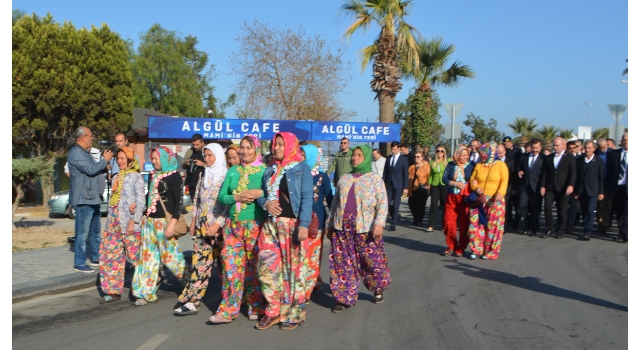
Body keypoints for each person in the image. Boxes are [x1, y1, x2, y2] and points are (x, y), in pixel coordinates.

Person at [256, 132, 313, 331]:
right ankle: (273, 310)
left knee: (293, 271)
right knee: (266, 268)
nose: (276, 148)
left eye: (280, 144)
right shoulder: (269, 170)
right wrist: (266, 203)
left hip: (292, 225)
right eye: (274, 144)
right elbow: (262, 196)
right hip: (271, 225)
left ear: (290, 146)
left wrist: (304, 224)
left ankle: (293, 313)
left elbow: (306, 198)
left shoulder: (301, 168)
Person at [327, 145, 390, 312]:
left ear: (366, 158)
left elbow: (383, 202)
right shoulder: (344, 178)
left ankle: (378, 288)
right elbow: (335, 204)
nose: (354, 158)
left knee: (371, 260)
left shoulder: (374, 179)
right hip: (342, 226)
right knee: (342, 262)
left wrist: (379, 223)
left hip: (366, 227)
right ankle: (344, 297)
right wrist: (330, 224)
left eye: (359, 155)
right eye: (353, 155)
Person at [211, 135, 266, 323]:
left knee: (253, 268)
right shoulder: (233, 171)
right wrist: (237, 198)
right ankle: (228, 310)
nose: (244, 151)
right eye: (242, 147)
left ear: (256, 148)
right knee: (231, 268)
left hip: (256, 224)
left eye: (249, 147)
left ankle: (256, 305)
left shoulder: (265, 171)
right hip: (232, 226)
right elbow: (221, 197)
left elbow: (272, 192)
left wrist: (260, 193)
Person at [174, 143, 229, 316]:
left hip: (219, 229)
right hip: (202, 228)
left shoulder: (226, 176)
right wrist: (193, 222)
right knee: (200, 265)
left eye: (211, 155)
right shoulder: (204, 174)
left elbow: (229, 205)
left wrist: (217, 224)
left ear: (219, 156)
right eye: (206, 156)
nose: (207, 159)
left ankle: (232, 298)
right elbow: (197, 199)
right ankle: (193, 301)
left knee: (225, 267)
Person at [132, 146, 186, 306]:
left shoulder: (174, 176)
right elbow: (149, 197)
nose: (153, 162)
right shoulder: (153, 174)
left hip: (165, 223)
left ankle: (191, 285)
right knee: (147, 258)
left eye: (156, 159)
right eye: (152, 159)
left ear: (165, 158)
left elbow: (179, 203)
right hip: (149, 222)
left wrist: (172, 224)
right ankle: (144, 291)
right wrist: (144, 214)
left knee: (172, 258)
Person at [99, 147, 145, 303]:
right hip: (113, 223)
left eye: (123, 158)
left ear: (131, 160)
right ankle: (112, 290)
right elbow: (113, 202)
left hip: (129, 223)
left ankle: (142, 290)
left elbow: (140, 200)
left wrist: (134, 220)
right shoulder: (116, 177)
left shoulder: (136, 177)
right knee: (112, 257)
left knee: (134, 257)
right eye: (118, 158)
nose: (119, 161)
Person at [67, 126, 113, 273]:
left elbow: (94, 168)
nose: (92, 138)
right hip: (83, 199)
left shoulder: (85, 153)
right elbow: (90, 169)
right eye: (90, 135)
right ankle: (79, 262)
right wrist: (104, 160)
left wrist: (104, 167)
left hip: (93, 197)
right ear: (83, 137)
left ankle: (95, 258)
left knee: (95, 231)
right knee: (82, 233)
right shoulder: (75, 153)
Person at [300, 144, 334, 299]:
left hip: (316, 223)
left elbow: (331, 199)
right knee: (301, 258)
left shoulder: (322, 177)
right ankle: (314, 282)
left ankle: (306, 292)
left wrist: (333, 222)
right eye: (300, 154)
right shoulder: (295, 174)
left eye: (304, 155)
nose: (301, 157)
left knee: (312, 258)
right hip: (298, 223)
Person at [468, 142, 509, 260]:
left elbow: (504, 180)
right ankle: (476, 249)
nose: (483, 156)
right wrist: (476, 187)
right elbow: (472, 180)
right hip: (479, 199)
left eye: (485, 153)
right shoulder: (479, 165)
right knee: (475, 225)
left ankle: (490, 251)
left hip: (494, 199)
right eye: (481, 154)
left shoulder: (501, 165)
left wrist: (500, 193)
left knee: (493, 227)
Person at [540, 137, 576, 239]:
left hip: (563, 187)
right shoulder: (549, 157)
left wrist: (571, 185)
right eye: (554, 145)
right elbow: (545, 173)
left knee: (562, 210)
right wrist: (543, 186)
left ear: (563, 145)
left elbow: (573, 173)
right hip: (550, 187)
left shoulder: (569, 157)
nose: (554, 147)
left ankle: (561, 229)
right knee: (547, 208)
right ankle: (550, 228)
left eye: (556, 145)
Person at [442, 145, 474, 257]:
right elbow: (444, 179)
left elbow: (476, 178)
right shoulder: (451, 165)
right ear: (457, 155)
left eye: (466, 155)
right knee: (448, 221)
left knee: (464, 223)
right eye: (462, 155)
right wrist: (456, 184)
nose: (465, 157)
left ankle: (461, 247)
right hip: (451, 196)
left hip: (465, 198)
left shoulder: (472, 165)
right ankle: (451, 245)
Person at [574, 141, 604, 241]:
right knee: (585, 211)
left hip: (593, 191)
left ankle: (588, 231)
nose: (587, 150)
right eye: (586, 148)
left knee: (591, 210)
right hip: (582, 191)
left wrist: (601, 192)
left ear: (594, 149)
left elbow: (601, 178)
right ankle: (586, 226)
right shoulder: (579, 160)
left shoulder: (599, 161)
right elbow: (576, 177)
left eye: (590, 148)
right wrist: (576, 191)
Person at [516, 139, 545, 236]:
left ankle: (534, 227)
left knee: (536, 208)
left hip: (536, 187)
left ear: (540, 148)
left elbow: (545, 173)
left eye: (537, 148)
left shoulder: (543, 158)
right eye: (533, 148)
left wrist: (543, 186)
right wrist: (519, 171)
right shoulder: (524, 156)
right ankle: (528, 223)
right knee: (521, 205)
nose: (535, 150)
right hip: (524, 185)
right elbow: (518, 167)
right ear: (530, 147)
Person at [606, 132, 628, 243]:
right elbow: (609, 172)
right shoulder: (614, 154)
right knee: (618, 211)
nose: (625, 142)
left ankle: (626, 233)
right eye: (623, 140)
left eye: (627, 140)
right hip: (617, 187)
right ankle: (622, 231)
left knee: (627, 210)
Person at [383, 141, 408, 231]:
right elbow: (385, 172)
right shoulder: (388, 158)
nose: (393, 151)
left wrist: (405, 187)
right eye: (392, 149)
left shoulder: (403, 159)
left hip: (398, 185)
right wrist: (383, 183)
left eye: (394, 149)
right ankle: (392, 217)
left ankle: (393, 224)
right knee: (387, 204)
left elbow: (405, 174)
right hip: (389, 185)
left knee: (396, 205)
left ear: (399, 148)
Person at [426, 144, 448, 232]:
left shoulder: (447, 162)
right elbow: (430, 175)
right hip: (435, 185)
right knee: (434, 204)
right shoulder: (432, 162)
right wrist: (429, 185)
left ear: (444, 153)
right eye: (438, 151)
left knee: (445, 205)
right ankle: (431, 224)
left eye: (441, 151)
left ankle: (444, 225)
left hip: (444, 184)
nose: (439, 153)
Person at [502, 136, 522, 230]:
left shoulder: (517, 151)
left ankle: (516, 221)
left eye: (508, 143)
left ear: (511, 142)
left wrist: (515, 186)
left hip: (514, 179)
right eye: (505, 144)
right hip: (506, 182)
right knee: (507, 204)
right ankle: (508, 222)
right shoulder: (503, 152)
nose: (506, 145)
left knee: (516, 203)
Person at [496, 144, 517, 231]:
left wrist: (514, 188)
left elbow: (513, 176)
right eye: (498, 153)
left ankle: (503, 226)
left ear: (505, 152)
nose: (499, 155)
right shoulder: (495, 162)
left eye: (501, 153)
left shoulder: (511, 161)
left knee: (506, 206)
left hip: (507, 187)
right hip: (497, 188)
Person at [595, 138, 613, 234]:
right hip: (598, 182)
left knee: (608, 204)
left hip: (608, 182)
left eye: (603, 148)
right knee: (599, 204)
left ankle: (605, 224)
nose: (602, 150)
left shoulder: (612, 153)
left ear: (606, 145)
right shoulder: (595, 153)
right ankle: (600, 222)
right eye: (600, 148)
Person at [407, 152, 430, 226]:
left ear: (422, 157)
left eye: (418, 157)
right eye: (415, 157)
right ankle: (415, 218)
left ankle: (419, 220)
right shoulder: (412, 167)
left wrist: (428, 185)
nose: (416, 158)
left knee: (421, 205)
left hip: (422, 187)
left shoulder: (426, 166)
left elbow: (429, 176)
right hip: (412, 188)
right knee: (411, 204)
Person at [182, 134, 206, 201]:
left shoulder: (207, 151)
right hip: (191, 183)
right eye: (193, 144)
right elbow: (182, 164)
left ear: (202, 142)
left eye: (197, 144)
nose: (195, 146)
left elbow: (213, 166)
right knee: (192, 204)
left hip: (203, 184)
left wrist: (203, 164)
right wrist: (187, 163)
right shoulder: (190, 151)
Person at [566, 141, 581, 234]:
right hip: (565, 186)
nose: (572, 150)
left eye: (574, 148)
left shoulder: (579, 159)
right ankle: (566, 224)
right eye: (570, 148)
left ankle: (571, 223)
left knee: (575, 207)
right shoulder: (565, 158)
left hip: (576, 187)